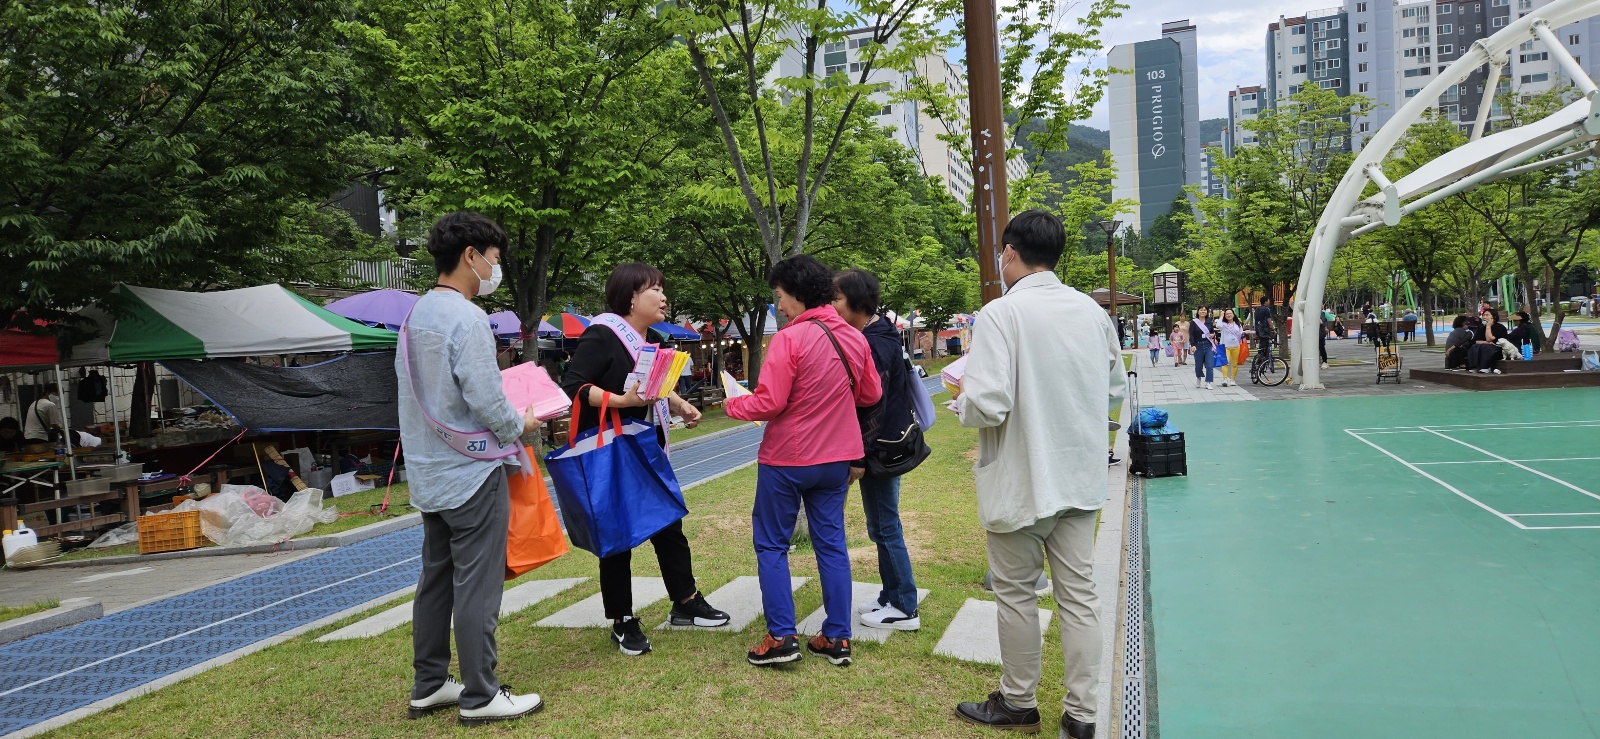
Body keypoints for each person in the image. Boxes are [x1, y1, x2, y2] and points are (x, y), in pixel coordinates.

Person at [950, 210, 1125, 738]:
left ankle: (1019, 701)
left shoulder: (1001, 314)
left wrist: (962, 404)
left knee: (1017, 595)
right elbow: (1116, 390)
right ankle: (1083, 715)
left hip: (1021, 478)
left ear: (1009, 253)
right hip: (1079, 477)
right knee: (1079, 598)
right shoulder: (1093, 314)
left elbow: (988, 403)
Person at [397, 212, 543, 725]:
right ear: (470, 257)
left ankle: (429, 683)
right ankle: (481, 694)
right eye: (495, 260)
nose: (495, 269)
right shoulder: (467, 318)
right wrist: (520, 423)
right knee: (478, 584)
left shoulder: (415, 317)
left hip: (429, 473)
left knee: (435, 581)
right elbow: (487, 397)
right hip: (473, 471)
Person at [561, 263, 729, 657]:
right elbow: (573, 385)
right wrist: (620, 401)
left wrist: (682, 404)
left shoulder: (649, 337)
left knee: (669, 521)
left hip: (647, 445)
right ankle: (622, 619)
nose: (664, 296)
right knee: (618, 534)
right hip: (614, 448)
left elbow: (655, 386)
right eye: (655, 288)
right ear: (632, 296)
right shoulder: (602, 334)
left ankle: (685, 601)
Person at [726, 255, 881, 668]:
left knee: (772, 545)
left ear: (795, 293)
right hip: (837, 459)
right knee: (832, 545)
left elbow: (770, 402)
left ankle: (781, 637)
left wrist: (733, 404)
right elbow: (870, 395)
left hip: (786, 458)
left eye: (779, 297)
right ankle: (837, 638)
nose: (779, 305)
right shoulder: (854, 337)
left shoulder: (789, 340)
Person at [833, 269, 922, 632]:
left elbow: (874, 406)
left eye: (837, 299)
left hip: (880, 451)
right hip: (883, 448)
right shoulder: (879, 333)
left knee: (886, 527)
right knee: (881, 525)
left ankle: (904, 606)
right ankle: (890, 594)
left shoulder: (874, 343)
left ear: (857, 302)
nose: (833, 305)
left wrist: (857, 458)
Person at [1189, 306, 1218, 390]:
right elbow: (1191, 334)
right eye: (1201, 310)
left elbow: (1212, 332)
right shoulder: (1193, 322)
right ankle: (1198, 377)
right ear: (1198, 312)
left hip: (1208, 344)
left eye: (1205, 310)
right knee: (1198, 365)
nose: (1203, 311)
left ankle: (1208, 382)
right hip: (1198, 345)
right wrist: (1192, 345)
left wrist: (1213, 335)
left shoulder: (1209, 322)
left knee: (1209, 364)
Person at [1217, 308, 1245, 387]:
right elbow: (1218, 325)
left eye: (1230, 313)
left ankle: (1233, 379)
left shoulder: (1237, 324)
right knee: (1225, 363)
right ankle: (1225, 379)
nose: (1229, 315)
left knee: (1235, 364)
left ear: (1233, 314)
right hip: (1226, 346)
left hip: (1236, 346)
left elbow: (1241, 333)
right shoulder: (1223, 324)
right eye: (1227, 314)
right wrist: (1221, 315)